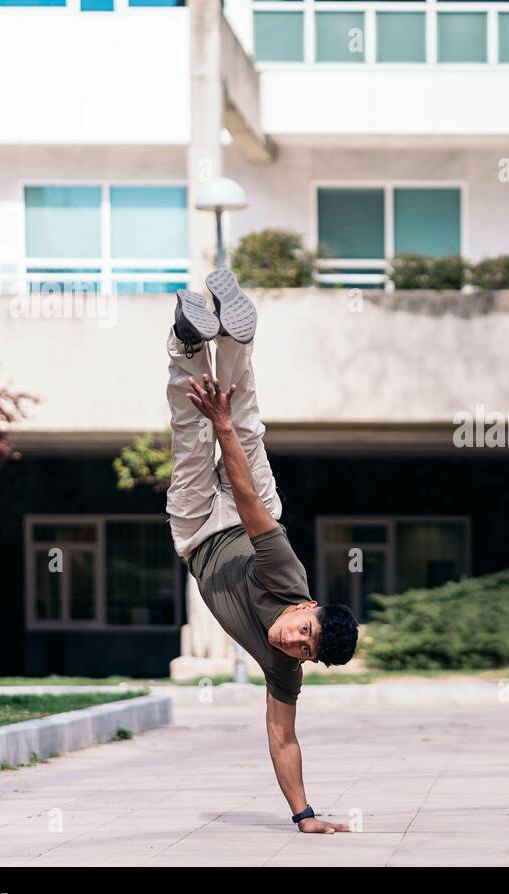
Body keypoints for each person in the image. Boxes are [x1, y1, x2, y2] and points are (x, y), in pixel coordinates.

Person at [166, 269, 359, 834]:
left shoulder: (284, 668)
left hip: (199, 532)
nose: (294, 643)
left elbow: (283, 736)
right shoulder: (286, 576)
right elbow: (248, 499)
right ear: (308, 606)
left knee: (188, 432)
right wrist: (224, 429)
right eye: (306, 630)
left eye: (306, 651)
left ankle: (190, 340)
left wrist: (305, 816)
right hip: (249, 513)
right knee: (239, 426)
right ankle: (237, 343)